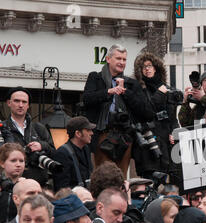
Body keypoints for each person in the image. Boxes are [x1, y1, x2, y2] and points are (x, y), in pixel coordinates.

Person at [82, 44, 152, 177]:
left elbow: (146, 112)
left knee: (121, 178)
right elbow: (87, 99)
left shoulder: (132, 84)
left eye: (124, 59)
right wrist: (109, 92)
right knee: (102, 176)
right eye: (118, 58)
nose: (122, 62)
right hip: (102, 134)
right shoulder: (95, 78)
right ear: (108, 59)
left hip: (124, 137)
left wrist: (126, 93)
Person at [132, 51, 179, 180]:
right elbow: (144, 111)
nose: (147, 69)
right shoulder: (137, 89)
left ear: (156, 68)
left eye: (150, 66)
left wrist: (174, 131)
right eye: (144, 67)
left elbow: (173, 117)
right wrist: (159, 94)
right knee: (150, 181)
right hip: (149, 144)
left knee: (169, 184)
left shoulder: (166, 88)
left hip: (167, 145)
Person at [3, 87, 56, 186]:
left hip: (39, 185)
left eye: (24, 102)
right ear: (9, 103)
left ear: (28, 105)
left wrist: (42, 146)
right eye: (16, 101)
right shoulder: (2, 128)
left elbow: (54, 153)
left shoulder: (39, 128)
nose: (20, 105)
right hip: (12, 185)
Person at [52, 116, 96, 192]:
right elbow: (62, 189)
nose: (92, 133)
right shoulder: (62, 153)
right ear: (78, 134)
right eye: (88, 130)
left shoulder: (86, 148)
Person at [0, 143, 26, 223]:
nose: (18, 164)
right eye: (13, 160)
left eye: (21, 161)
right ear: (2, 163)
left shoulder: (28, 186)